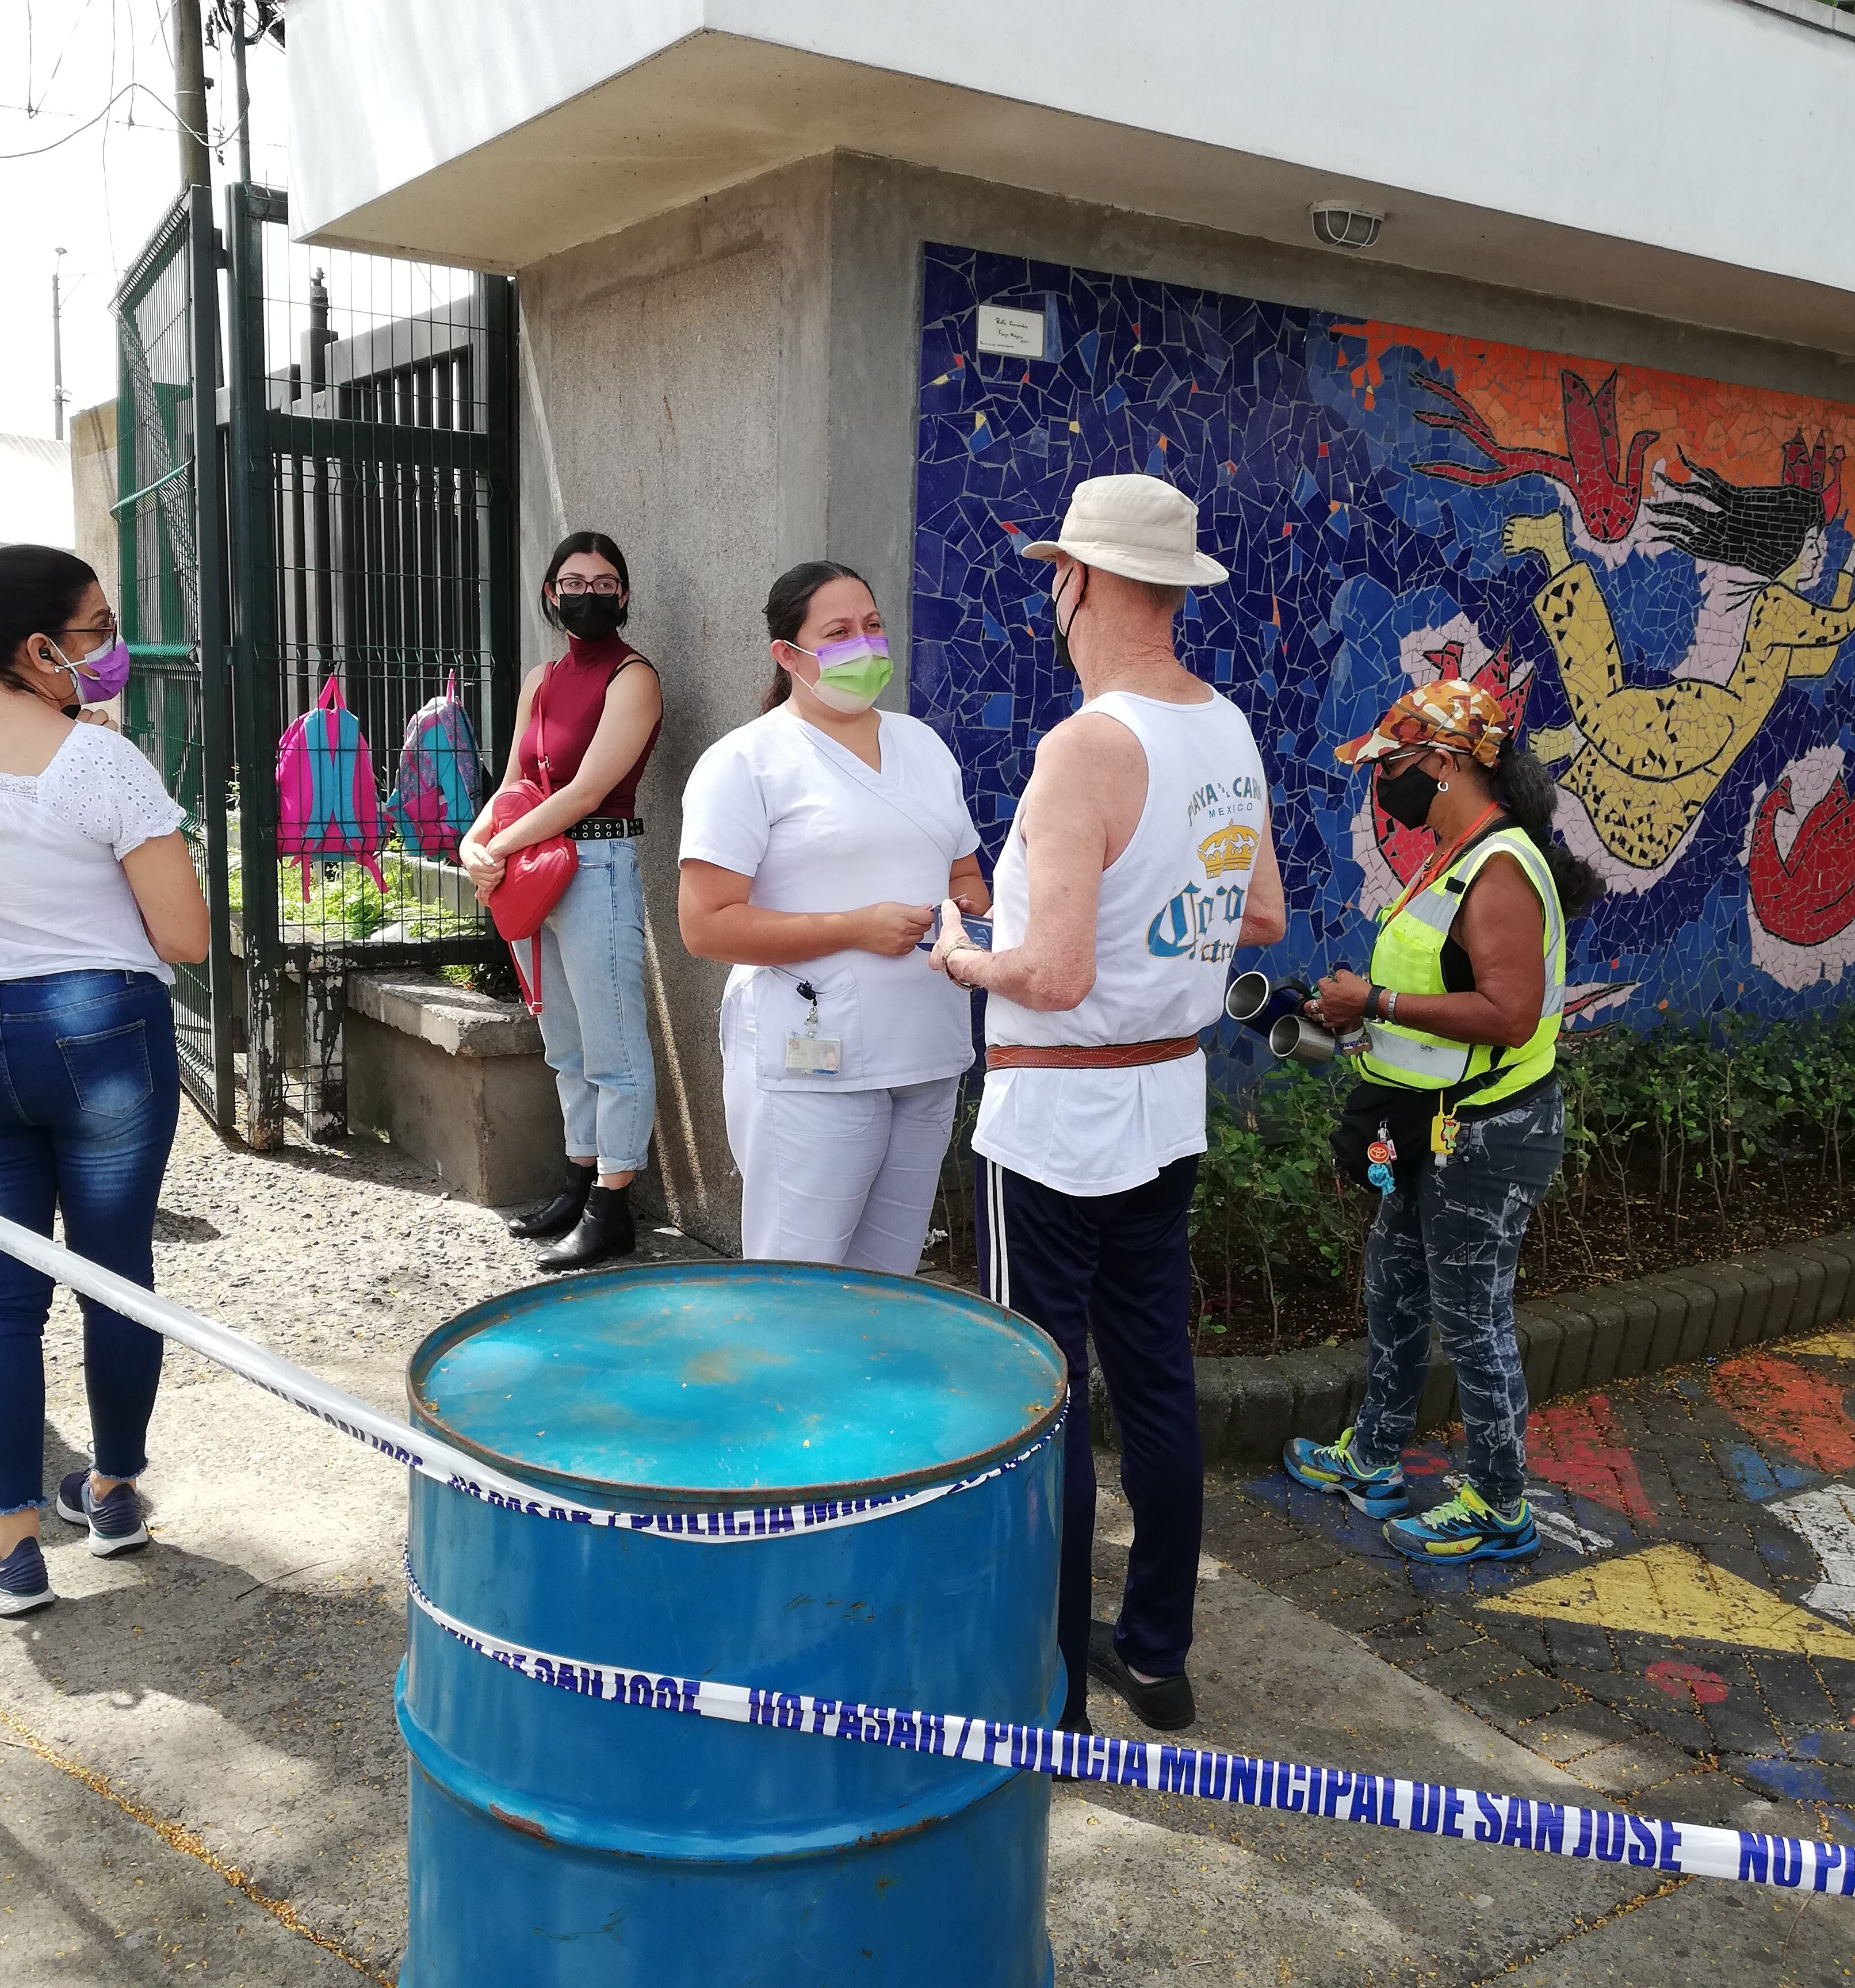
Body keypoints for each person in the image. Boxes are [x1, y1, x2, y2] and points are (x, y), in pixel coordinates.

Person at [929, 474, 1285, 1734]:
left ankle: (1051, 1688)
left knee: (1045, 1397)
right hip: (1164, 1106)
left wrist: (965, 954)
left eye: (1055, 574)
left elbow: (1056, 971)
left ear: (1080, 579)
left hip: (1052, 1116)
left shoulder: (1086, 744)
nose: (1051, 592)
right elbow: (1262, 916)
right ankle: (1156, 1654)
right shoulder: (1228, 730)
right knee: (1158, 1386)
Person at [0, 546, 209, 1616]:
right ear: (41, 648)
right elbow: (181, 934)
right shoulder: (101, 764)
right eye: (97, 626)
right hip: (98, 1034)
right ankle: (115, 1491)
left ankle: (10, 1550)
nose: (112, 642)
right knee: (114, 1272)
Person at [1283, 679, 1605, 1562]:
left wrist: (1378, 999)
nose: (1383, 784)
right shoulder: (1454, 853)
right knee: (1394, 1289)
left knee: (1473, 1318)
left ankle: (1502, 1504)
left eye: (1393, 766)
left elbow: (1509, 1011)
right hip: (1429, 1124)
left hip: (1487, 1136)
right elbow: (1444, 984)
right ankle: (1375, 1456)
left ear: (1446, 762)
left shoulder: (1499, 868)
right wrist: (1358, 1011)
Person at [678, 561, 988, 1272]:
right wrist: (855, 927)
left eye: (873, 627)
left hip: (927, 1050)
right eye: (840, 632)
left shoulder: (924, 747)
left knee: (890, 1279)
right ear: (788, 655)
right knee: (800, 1281)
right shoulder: (746, 763)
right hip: (812, 1062)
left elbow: (965, 874)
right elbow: (706, 926)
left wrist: (969, 918)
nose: (865, 646)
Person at [1507, 469, 1855, 882]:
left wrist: (1847, 572)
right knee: (1601, 707)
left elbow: (1824, 659)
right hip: (1712, 718)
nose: (1819, 554)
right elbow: (1842, 625)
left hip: (1722, 737)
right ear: (1787, 545)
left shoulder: (1779, 608)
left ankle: (1580, 745)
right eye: (1812, 543)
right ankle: (1555, 548)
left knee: (1646, 830)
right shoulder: (1776, 603)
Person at [462, 532, 663, 1271]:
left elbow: (583, 793)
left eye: (607, 582)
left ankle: (614, 1207)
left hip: (598, 862)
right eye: (575, 581)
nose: (590, 593)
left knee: (613, 1046)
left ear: (625, 596)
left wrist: (503, 847)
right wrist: (473, 845)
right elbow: (516, 778)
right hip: (533, 866)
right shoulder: (542, 678)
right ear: (550, 593)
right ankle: (578, 1181)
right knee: (567, 1045)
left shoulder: (633, 677)